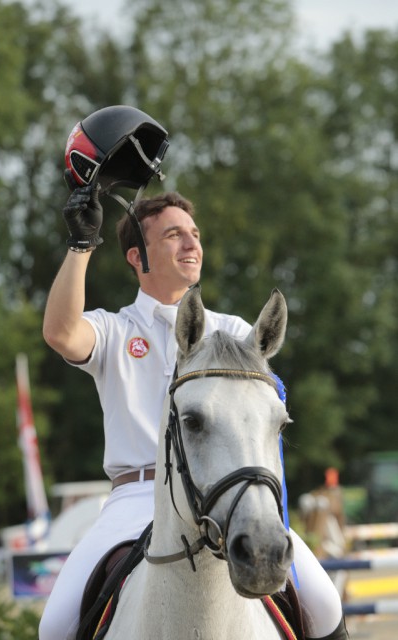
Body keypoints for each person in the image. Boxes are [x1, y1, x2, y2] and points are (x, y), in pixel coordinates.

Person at [39, 184, 348, 639]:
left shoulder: (235, 332)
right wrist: (82, 245)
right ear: (136, 255)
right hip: (135, 499)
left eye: (195, 234)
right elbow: (62, 332)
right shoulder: (114, 330)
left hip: (228, 491)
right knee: (56, 625)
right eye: (174, 235)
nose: (192, 244)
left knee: (324, 604)